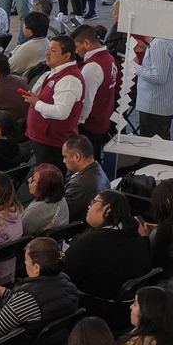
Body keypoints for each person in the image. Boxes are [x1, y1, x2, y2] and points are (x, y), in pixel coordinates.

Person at [0, 238, 78, 345]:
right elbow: (43, 305)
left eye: (26, 261)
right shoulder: (68, 284)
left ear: (36, 268)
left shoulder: (28, 298)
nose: (25, 264)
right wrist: (8, 294)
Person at [61, 192, 152, 301]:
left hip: (90, 301)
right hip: (118, 302)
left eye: (94, 202)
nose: (89, 206)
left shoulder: (90, 243)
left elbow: (63, 274)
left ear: (107, 209)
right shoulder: (137, 235)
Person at [18, 34, 83, 171]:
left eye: (53, 51)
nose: (47, 53)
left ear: (66, 56)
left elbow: (61, 112)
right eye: (48, 49)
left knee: (49, 181)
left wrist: (37, 103)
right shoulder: (54, 73)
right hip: (43, 138)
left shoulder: (69, 79)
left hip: (52, 142)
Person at [59, 135, 104, 223]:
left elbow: (58, 211)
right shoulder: (98, 169)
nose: (64, 161)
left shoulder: (80, 185)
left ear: (77, 156)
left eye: (65, 157)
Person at [20, 164, 67, 237]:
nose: (29, 180)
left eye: (34, 180)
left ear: (44, 188)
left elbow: (20, 234)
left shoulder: (34, 211)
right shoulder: (61, 198)